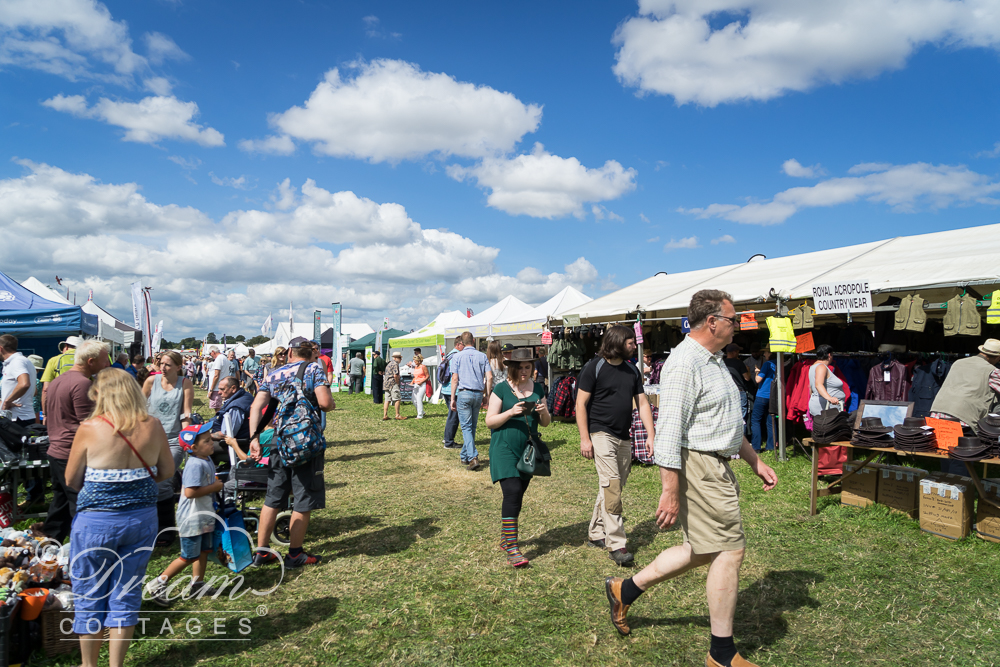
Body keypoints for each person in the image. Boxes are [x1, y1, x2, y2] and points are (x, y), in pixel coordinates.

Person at [603, 289, 777, 667]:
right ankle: (722, 654)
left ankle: (625, 589)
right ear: (712, 321)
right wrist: (669, 491)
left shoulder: (712, 359)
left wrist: (753, 461)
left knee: (702, 549)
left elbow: (723, 422)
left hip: (714, 461)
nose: (738, 327)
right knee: (730, 550)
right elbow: (669, 431)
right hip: (697, 465)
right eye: (733, 320)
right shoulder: (685, 362)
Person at [65, 367, 174, 667]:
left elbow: (71, 479)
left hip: (96, 522)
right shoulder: (152, 425)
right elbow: (167, 472)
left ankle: (89, 665)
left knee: (89, 592)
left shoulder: (90, 427)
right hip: (140, 520)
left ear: (100, 394)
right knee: (126, 592)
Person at [247, 339, 334, 568]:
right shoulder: (314, 368)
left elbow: (257, 406)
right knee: (303, 497)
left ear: (288, 353)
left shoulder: (274, 374)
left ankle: (262, 552)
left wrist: (254, 438)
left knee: (273, 497)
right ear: (312, 353)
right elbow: (325, 403)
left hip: (278, 439)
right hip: (304, 441)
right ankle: (295, 554)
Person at [577, 324, 655, 566]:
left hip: (624, 436)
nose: (634, 345)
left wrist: (651, 436)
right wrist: (584, 438)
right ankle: (617, 544)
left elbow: (642, 404)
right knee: (612, 486)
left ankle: (595, 533)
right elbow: (580, 404)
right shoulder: (594, 367)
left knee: (612, 486)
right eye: (630, 342)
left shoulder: (632, 371)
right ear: (618, 342)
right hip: (600, 433)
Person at [485, 348, 551, 567]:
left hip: (528, 451)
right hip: (503, 447)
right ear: (512, 368)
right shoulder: (501, 389)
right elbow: (490, 421)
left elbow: (545, 423)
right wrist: (510, 412)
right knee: (512, 491)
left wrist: (543, 411)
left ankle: (506, 538)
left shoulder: (538, 388)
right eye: (521, 367)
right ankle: (513, 548)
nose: (525, 371)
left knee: (518, 494)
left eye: (528, 367)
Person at [146, 421, 223, 606]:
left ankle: (198, 584)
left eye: (210, 438)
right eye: (206, 441)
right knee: (189, 556)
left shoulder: (206, 459)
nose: (211, 442)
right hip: (192, 519)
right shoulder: (195, 464)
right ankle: (157, 583)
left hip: (204, 515)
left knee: (204, 550)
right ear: (193, 448)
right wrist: (215, 486)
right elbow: (189, 492)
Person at [43, 340, 111, 542]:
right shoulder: (82, 384)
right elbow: (87, 425)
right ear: (90, 361)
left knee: (61, 503)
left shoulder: (58, 380)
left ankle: (50, 544)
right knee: (80, 504)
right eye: (104, 359)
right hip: (71, 453)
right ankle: (86, 547)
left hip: (56, 450)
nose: (107, 364)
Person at [143, 351, 194, 543]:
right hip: (150, 438)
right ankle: (149, 527)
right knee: (148, 480)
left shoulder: (185, 384)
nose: (163, 368)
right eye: (161, 364)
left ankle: (166, 531)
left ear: (179, 367)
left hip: (172, 439)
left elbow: (186, 414)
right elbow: (139, 407)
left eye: (168, 365)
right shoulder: (150, 382)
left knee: (163, 480)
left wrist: (186, 438)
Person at [930, 337, 1000, 428]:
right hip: (963, 418)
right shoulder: (992, 371)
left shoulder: (958, 362)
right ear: (998, 357)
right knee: (963, 442)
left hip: (937, 412)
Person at [450, 332, 492, 471]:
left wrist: (452, 398)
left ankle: (473, 457)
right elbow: (489, 377)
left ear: (461, 342)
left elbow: (455, 379)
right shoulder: (482, 356)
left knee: (467, 427)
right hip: (478, 393)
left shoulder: (457, 356)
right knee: (471, 427)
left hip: (464, 393)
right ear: (473, 341)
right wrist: (487, 394)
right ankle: (465, 455)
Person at [0, 334, 38, 426]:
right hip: (18, 416)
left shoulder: (17, 361)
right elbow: (34, 391)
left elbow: (24, 384)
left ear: (1, 349)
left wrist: (7, 401)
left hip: (17, 418)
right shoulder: (21, 361)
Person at [40, 335, 80, 417]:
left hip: (60, 405)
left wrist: (45, 414)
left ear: (66, 346)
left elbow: (45, 389)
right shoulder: (86, 359)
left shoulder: (54, 360)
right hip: (81, 402)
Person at [211, 376, 253, 454]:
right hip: (241, 440)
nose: (219, 392)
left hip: (238, 445)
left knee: (201, 447)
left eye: (222, 389)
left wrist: (207, 436)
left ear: (233, 389)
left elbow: (227, 434)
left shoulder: (236, 407)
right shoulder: (245, 395)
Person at [441, 337, 464, 450]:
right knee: (454, 417)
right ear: (459, 344)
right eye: (464, 345)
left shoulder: (449, 354)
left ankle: (447, 438)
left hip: (445, 389)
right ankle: (449, 442)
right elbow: (456, 376)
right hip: (453, 390)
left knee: (451, 416)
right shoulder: (457, 356)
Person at [808, 344, 844, 415]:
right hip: (826, 408)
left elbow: (810, 388)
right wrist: (830, 398)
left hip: (823, 406)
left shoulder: (813, 367)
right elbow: (818, 385)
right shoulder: (821, 367)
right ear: (829, 355)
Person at [752, 349, 776, 452]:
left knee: (755, 420)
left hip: (763, 395)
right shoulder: (780, 363)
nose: (764, 354)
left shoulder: (768, 364)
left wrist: (757, 373)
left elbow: (758, 380)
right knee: (771, 421)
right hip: (774, 396)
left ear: (770, 353)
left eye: (766, 352)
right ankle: (771, 446)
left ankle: (756, 447)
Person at [723, 343, 752, 429]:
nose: (738, 353)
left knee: (728, 417)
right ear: (733, 352)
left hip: (726, 392)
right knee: (741, 418)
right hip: (739, 392)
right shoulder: (739, 363)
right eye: (737, 352)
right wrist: (748, 371)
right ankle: (743, 441)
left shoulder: (722, 363)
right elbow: (747, 378)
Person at [382, 351, 406, 420]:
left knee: (387, 400)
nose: (400, 360)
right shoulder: (395, 364)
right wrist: (397, 382)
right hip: (392, 383)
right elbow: (395, 375)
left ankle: (385, 415)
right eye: (400, 358)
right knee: (397, 399)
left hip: (386, 383)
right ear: (396, 358)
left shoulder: (389, 363)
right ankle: (397, 415)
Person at [411, 354, 430, 419]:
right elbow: (415, 376)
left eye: (415, 361)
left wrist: (421, 382)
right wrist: (412, 382)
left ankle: (420, 415)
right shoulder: (416, 367)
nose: (414, 362)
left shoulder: (423, 367)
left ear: (419, 361)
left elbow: (427, 376)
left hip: (422, 384)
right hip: (416, 384)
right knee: (414, 400)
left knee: (419, 399)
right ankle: (422, 412)